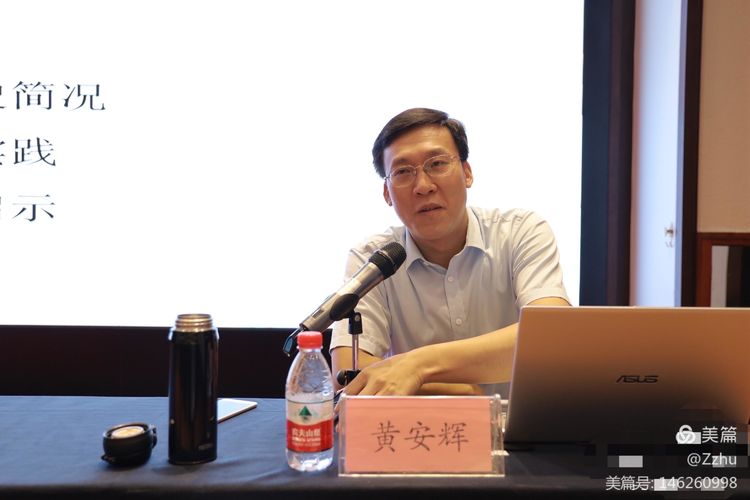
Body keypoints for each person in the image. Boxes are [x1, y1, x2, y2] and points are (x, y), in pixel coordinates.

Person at [330, 108, 569, 397]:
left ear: (467, 173)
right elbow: (349, 375)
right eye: (403, 172)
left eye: (437, 164)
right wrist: (461, 392)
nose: (423, 186)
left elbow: (551, 336)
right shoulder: (373, 259)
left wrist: (418, 366)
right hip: (420, 424)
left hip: (523, 425)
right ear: (386, 194)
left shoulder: (521, 232)